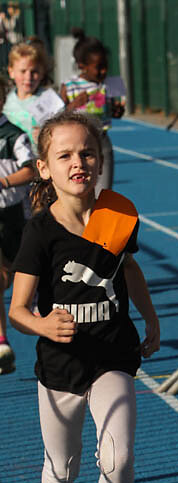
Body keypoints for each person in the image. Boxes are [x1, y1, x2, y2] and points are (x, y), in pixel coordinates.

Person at [8, 110, 160, 483]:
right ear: (44, 168)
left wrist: (151, 318)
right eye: (65, 155)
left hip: (112, 355)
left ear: (99, 160)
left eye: (87, 153)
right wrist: (42, 324)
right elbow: (17, 310)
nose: (79, 162)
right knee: (62, 467)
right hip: (60, 367)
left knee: (119, 457)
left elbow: (128, 269)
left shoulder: (119, 213)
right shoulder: (40, 232)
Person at [60, 28, 125, 194]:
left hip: (102, 142)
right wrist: (73, 105)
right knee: (79, 192)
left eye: (106, 66)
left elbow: (116, 113)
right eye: (99, 67)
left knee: (103, 192)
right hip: (75, 146)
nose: (104, 71)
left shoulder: (109, 84)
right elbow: (57, 117)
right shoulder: (69, 86)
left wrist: (117, 110)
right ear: (82, 66)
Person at [0, 75, 35, 375]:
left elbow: (31, 170)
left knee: (17, 278)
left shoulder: (13, 136)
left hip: (15, 217)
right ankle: (1, 343)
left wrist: (4, 182)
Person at [3, 38, 63, 152]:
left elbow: (63, 131)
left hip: (41, 157)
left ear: (42, 73)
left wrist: (46, 135)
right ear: (11, 72)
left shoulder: (51, 100)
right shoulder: (5, 101)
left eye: (34, 72)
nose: (28, 77)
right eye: (23, 71)